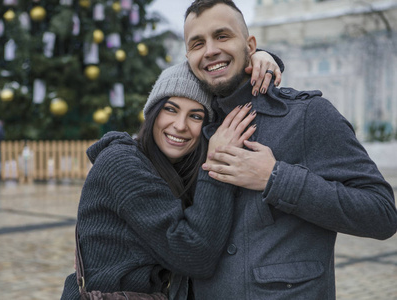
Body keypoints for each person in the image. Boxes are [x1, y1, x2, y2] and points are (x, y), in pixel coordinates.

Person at [182, 1, 397, 299]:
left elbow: (382, 214)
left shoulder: (308, 115)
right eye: (197, 43)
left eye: (222, 36)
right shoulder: (189, 131)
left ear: (250, 44)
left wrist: (276, 178)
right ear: (188, 57)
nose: (209, 50)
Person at [61, 61, 265, 300]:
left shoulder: (175, 169)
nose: (180, 126)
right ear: (153, 112)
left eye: (195, 116)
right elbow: (195, 255)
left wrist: (261, 59)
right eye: (170, 109)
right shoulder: (122, 163)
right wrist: (218, 162)